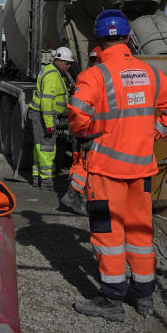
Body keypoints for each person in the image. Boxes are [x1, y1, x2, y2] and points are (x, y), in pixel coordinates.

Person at [67, 9, 167, 322]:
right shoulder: (149, 73)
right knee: (139, 233)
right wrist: (153, 131)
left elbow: (78, 117)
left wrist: (90, 132)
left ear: (98, 40)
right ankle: (145, 296)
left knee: (108, 236)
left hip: (107, 171)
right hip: (142, 170)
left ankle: (112, 300)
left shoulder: (95, 75)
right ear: (127, 38)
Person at [60, 46, 101, 215]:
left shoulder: (87, 76)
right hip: (88, 132)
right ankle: (76, 199)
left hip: (82, 130)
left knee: (79, 165)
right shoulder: (97, 78)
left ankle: (72, 197)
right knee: (84, 167)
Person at [28, 46, 73, 191]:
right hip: (44, 116)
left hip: (39, 115)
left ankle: (37, 178)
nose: (69, 66)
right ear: (59, 60)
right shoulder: (53, 76)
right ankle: (46, 182)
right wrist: (49, 124)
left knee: (39, 148)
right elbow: (46, 102)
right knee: (46, 149)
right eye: (67, 63)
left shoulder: (50, 70)